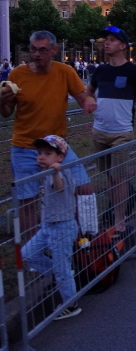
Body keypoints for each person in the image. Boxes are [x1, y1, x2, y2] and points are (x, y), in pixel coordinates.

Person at [1, 31, 97, 239]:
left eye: (43, 50)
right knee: (27, 202)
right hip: (24, 147)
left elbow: (83, 98)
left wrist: (88, 101)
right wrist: (2, 102)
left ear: (54, 50)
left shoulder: (65, 72)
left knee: (84, 188)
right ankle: (35, 251)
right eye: (33, 49)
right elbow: (7, 113)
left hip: (57, 147)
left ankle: (84, 240)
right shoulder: (17, 75)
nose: (36, 54)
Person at [87, 26, 136, 238]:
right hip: (99, 132)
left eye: (111, 39)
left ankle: (120, 221)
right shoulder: (100, 70)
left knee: (118, 177)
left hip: (121, 133)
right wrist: (88, 100)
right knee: (108, 177)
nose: (106, 43)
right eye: (106, 39)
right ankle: (119, 210)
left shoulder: (134, 71)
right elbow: (88, 92)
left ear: (122, 46)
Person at [21, 135, 83, 320]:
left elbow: (59, 187)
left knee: (62, 268)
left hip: (62, 228)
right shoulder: (47, 173)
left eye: (47, 154)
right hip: (47, 227)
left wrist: (55, 172)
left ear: (60, 157)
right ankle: (62, 275)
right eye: (39, 153)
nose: (41, 157)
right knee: (28, 254)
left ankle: (71, 304)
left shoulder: (60, 173)